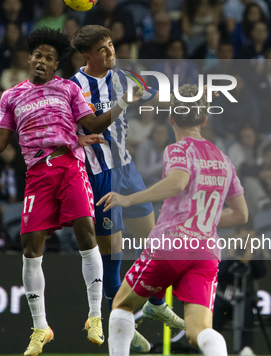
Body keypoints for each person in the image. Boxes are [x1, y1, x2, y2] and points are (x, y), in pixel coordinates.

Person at [0, 28, 144, 355]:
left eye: (49, 58)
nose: (42, 62)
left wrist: (121, 103)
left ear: (55, 65)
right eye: (38, 56)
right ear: (29, 59)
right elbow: (2, 141)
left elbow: (92, 125)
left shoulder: (68, 89)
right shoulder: (11, 96)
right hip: (37, 173)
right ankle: (40, 328)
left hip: (69, 165)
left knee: (85, 231)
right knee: (30, 247)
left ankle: (94, 317)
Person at [99, 84, 248, 356]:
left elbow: (177, 182)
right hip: (206, 252)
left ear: (171, 119)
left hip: (171, 245)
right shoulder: (225, 160)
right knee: (198, 332)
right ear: (204, 120)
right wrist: (203, 222)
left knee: (122, 305)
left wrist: (130, 199)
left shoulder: (178, 150)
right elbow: (241, 214)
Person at [70, 25, 184, 352]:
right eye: (103, 50)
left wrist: (193, 98)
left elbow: (160, 96)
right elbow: (79, 126)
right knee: (113, 259)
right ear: (86, 56)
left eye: (111, 46)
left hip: (128, 170)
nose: (110, 54)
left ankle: (155, 303)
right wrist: (75, 138)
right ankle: (121, 319)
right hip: (100, 175)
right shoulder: (74, 88)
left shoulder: (124, 77)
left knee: (156, 243)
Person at [213, 224, 266, 356]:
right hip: (223, 293)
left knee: (246, 307)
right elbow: (217, 275)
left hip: (243, 294)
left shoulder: (255, 249)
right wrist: (230, 257)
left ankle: (245, 348)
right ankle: (213, 345)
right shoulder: (225, 247)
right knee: (216, 307)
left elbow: (261, 273)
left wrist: (251, 258)